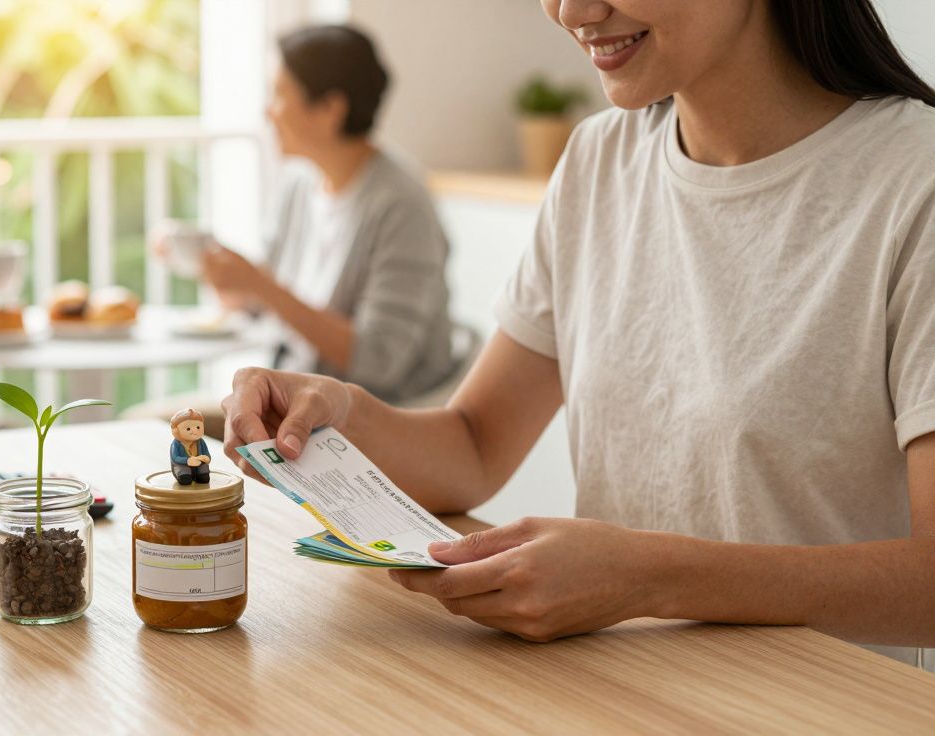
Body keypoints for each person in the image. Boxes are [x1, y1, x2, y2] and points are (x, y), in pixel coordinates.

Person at [223, 0, 935, 665]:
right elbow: (474, 445)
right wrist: (338, 414)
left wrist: (650, 579)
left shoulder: (913, 182)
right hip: (614, 689)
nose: (571, 11)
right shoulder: (600, 158)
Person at [133, 25, 458, 439]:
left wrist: (261, 286)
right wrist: (214, 269)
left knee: (160, 433)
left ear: (330, 109)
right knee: (146, 427)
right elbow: (259, 301)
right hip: (293, 408)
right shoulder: (301, 185)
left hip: (365, 425)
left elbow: (378, 361)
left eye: (280, 94)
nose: (269, 111)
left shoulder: (401, 205)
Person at [170, 408, 212, 485]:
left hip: (199, 463)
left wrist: (206, 458)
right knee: (185, 477)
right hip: (183, 465)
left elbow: (206, 453)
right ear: (176, 431)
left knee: (204, 476)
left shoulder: (201, 442)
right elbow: (175, 457)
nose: (195, 431)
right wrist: (187, 461)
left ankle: (200, 475)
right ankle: (184, 476)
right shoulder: (176, 444)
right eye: (188, 429)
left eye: (198, 427)